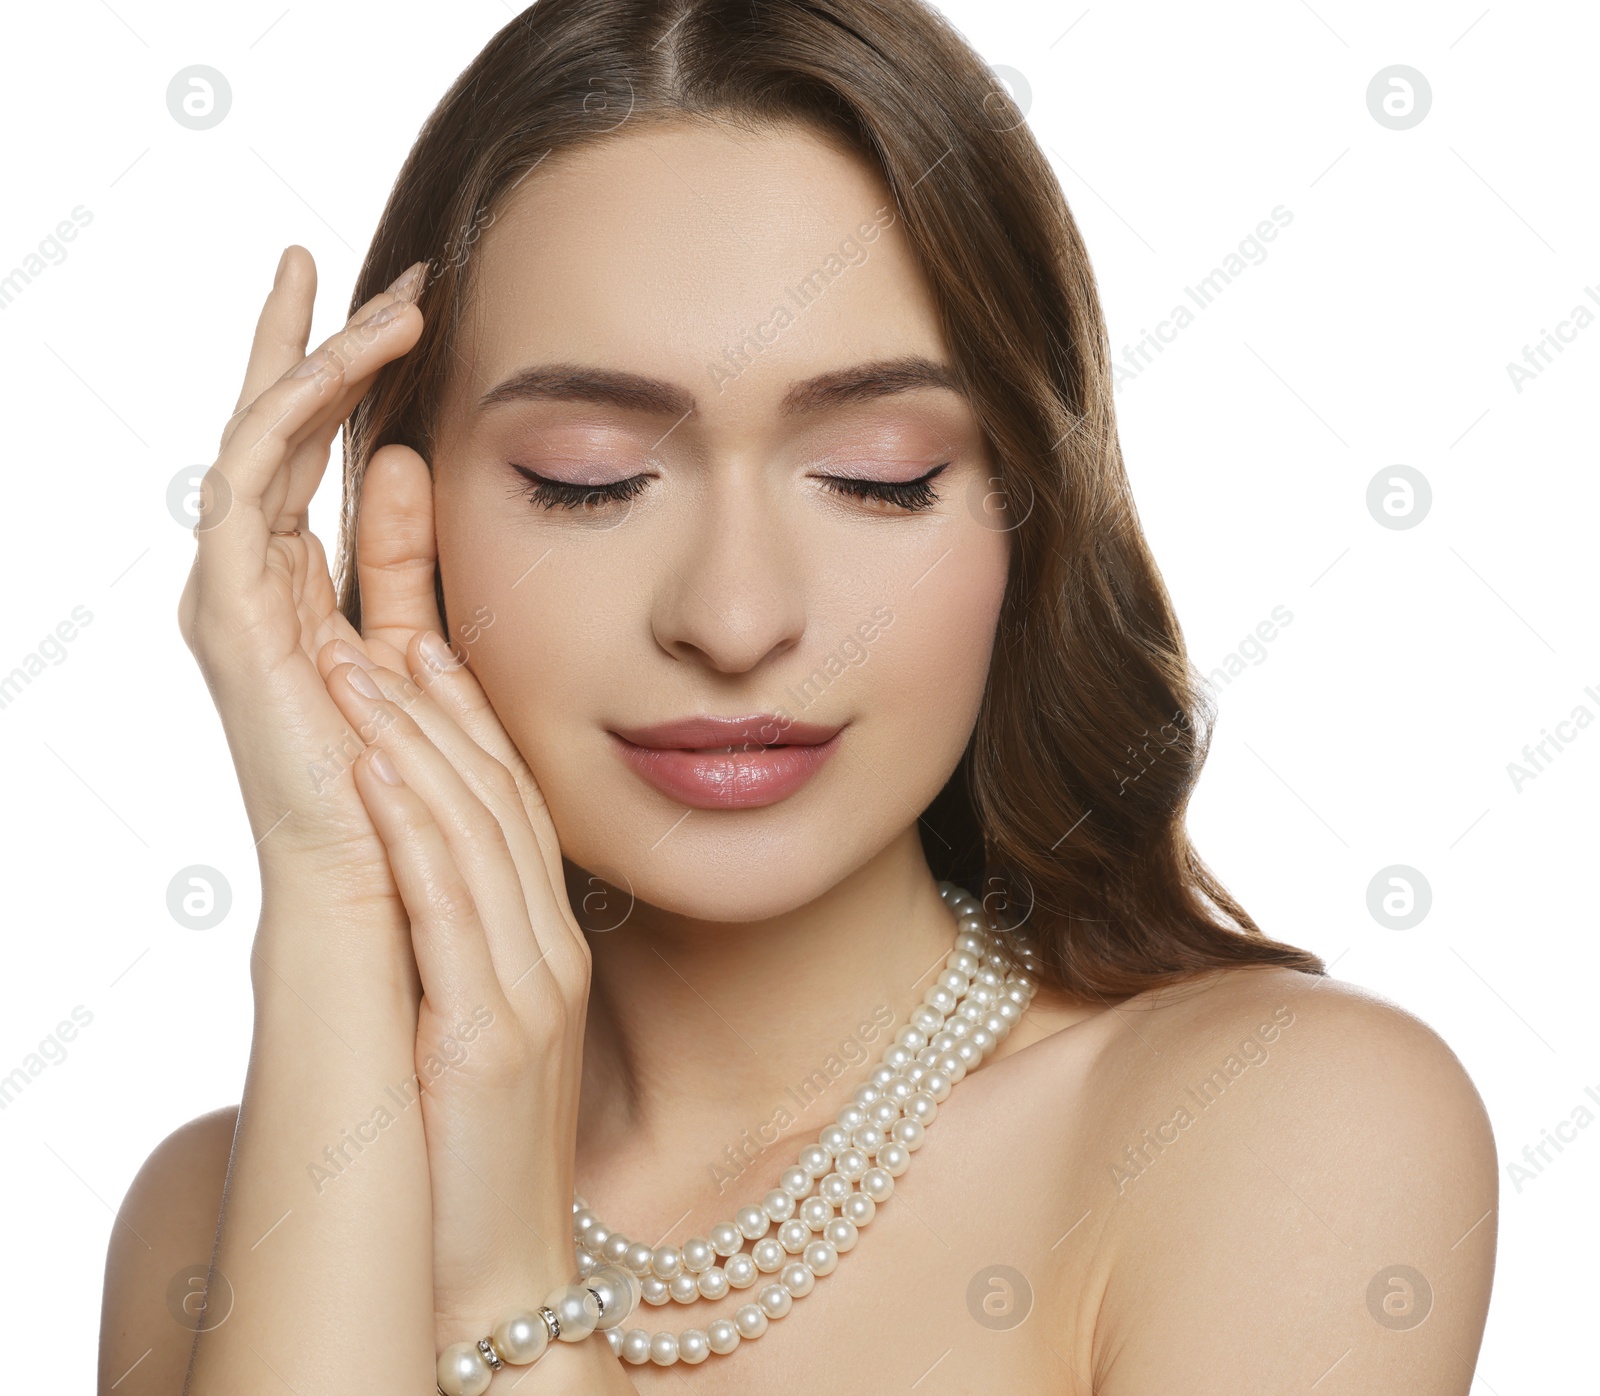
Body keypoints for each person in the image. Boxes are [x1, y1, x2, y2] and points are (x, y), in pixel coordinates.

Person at [98, 1, 1498, 1391]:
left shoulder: (1278, 1131)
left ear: (1025, 509)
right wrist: (337, 886)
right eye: (589, 477)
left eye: (876, 472)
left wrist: (514, 1286)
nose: (734, 617)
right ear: (408, 517)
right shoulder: (207, 1224)